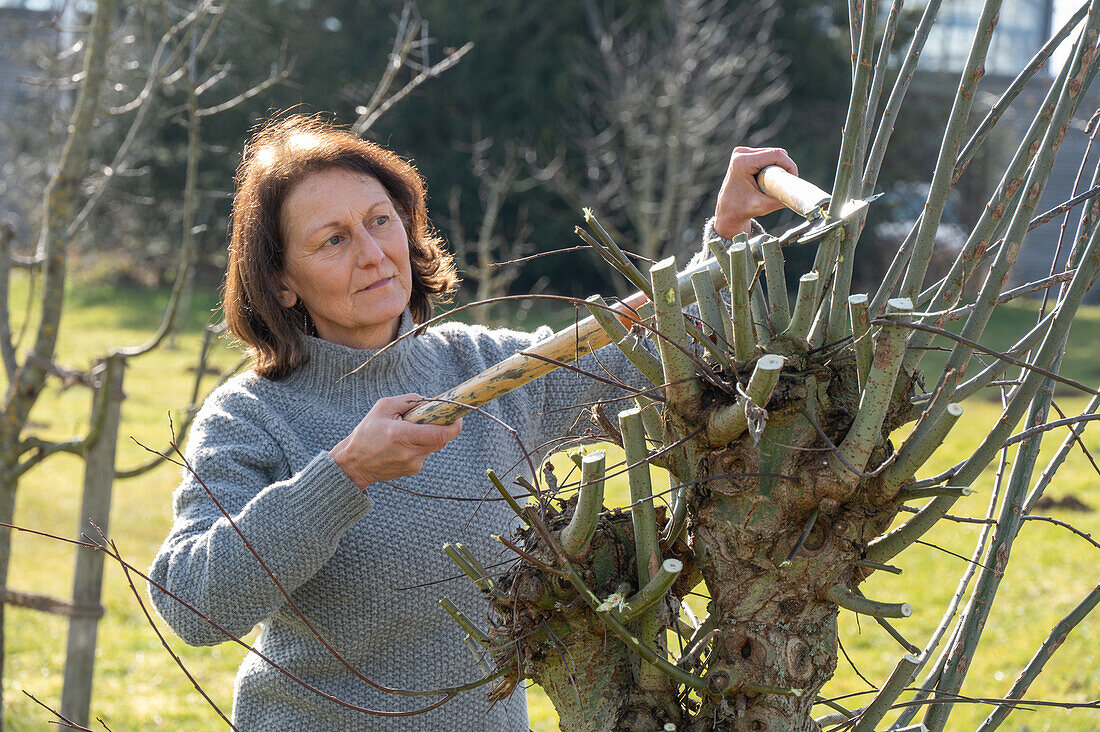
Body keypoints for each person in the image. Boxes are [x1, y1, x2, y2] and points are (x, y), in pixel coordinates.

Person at [148, 114, 796, 731]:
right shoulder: (253, 417)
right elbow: (195, 607)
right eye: (334, 239)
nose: (374, 253)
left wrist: (728, 234)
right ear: (281, 282)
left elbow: (657, 357)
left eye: (381, 221)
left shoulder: (488, 368)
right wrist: (346, 474)